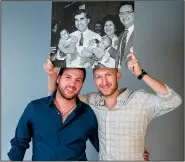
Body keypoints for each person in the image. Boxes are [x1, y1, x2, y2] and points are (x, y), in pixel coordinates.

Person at [44, 53, 182, 160]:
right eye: (98, 77)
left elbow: (173, 100)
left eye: (108, 75)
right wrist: (52, 74)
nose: (103, 82)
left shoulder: (140, 100)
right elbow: (58, 97)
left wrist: (141, 74)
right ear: (94, 80)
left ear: (118, 76)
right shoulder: (91, 101)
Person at [7, 68, 99, 161]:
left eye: (78, 80)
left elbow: (103, 147)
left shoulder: (88, 114)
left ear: (82, 84)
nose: (72, 84)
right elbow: (19, 145)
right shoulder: (35, 108)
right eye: (68, 77)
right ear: (58, 79)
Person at [117, 1, 135, 68]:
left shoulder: (141, 33)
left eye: (127, 12)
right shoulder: (121, 35)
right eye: (121, 14)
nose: (124, 16)